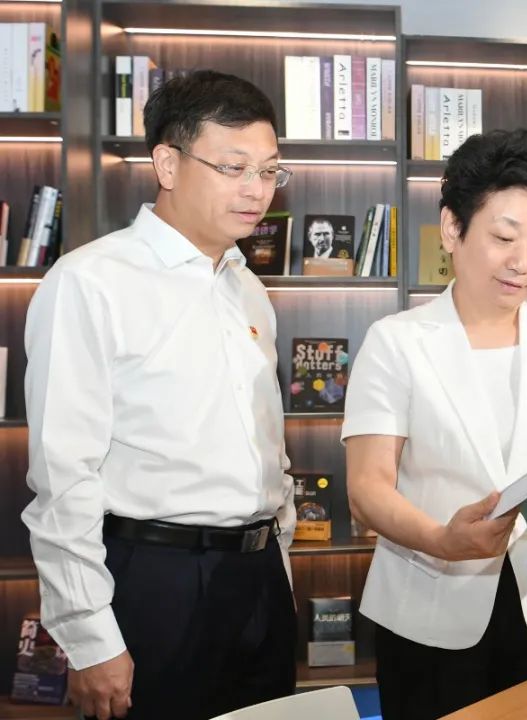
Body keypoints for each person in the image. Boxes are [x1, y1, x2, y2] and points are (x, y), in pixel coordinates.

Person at [22, 70, 297, 719]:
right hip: (155, 578)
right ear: (168, 164)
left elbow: (268, 449)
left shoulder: (247, 287)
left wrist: (277, 563)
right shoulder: (91, 281)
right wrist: (88, 637)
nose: (256, 190)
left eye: (269, 171)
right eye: (233, 167)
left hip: (257, 577)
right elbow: (64, 476)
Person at [342, 128, 527, 719]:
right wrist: (441, 540)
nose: (523, 264)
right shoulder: (396, 342)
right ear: (452, 228)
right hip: (428, 614)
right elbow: (366, 488)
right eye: (503, 238)